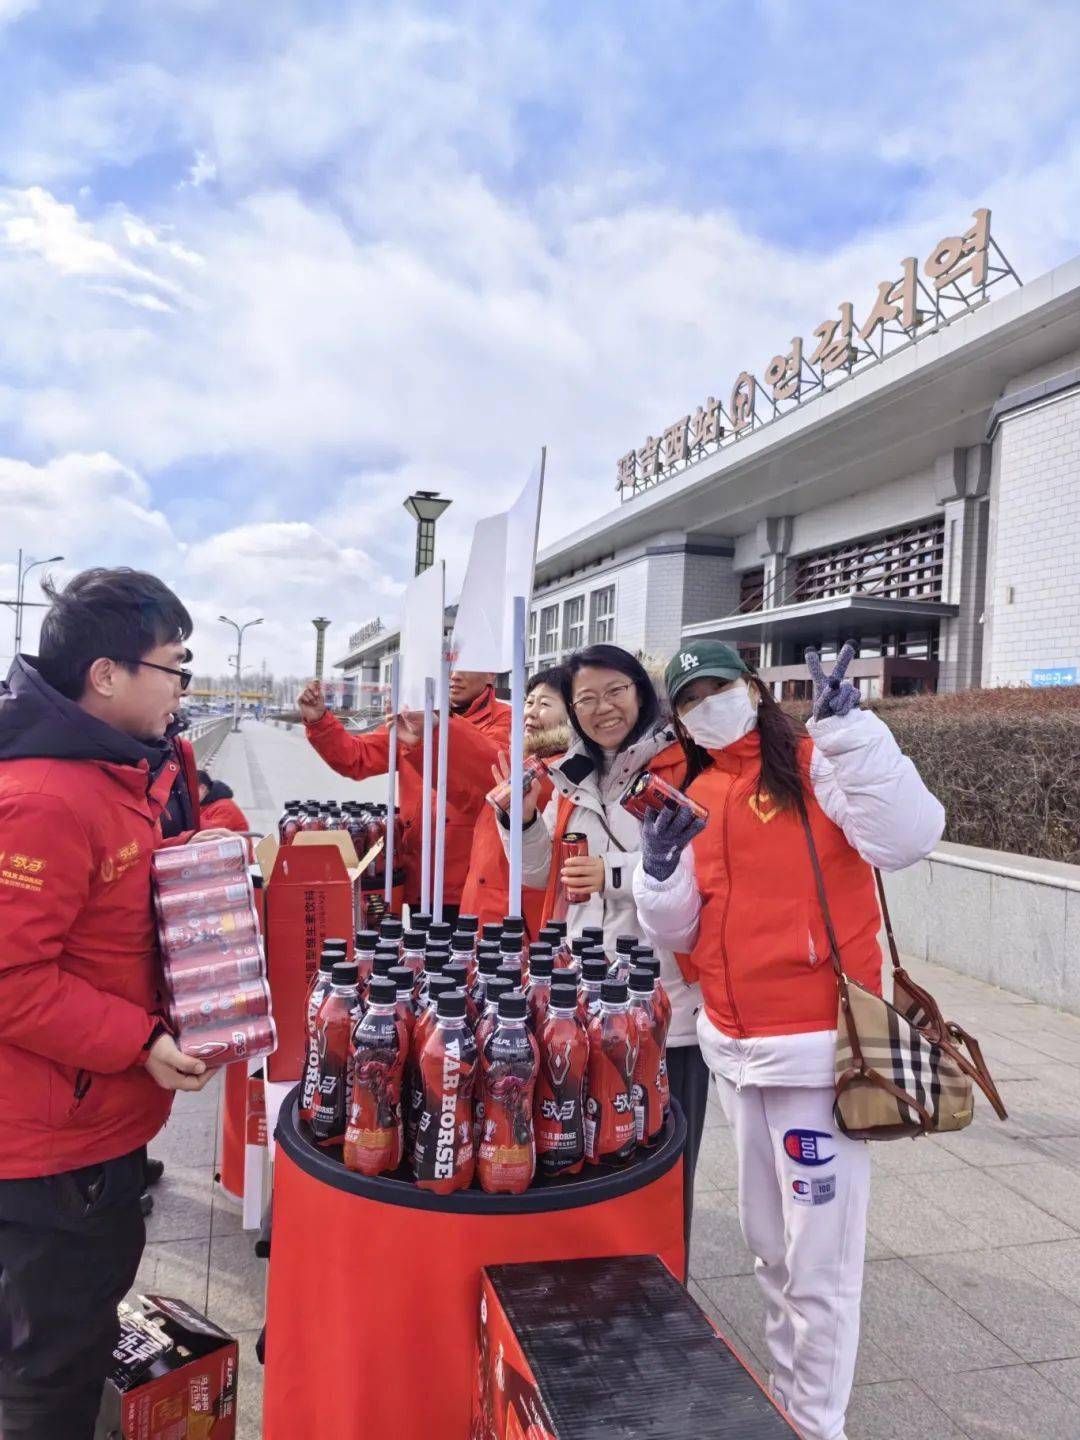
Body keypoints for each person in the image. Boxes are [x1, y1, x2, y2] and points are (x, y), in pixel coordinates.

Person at [632, 639, 945, 1440]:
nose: (709, 704)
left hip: (819, 1051)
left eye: (719, 687)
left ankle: (815, 1425)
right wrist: (659, 869)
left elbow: (908, 837)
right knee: (770, 1248)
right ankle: (785, 1400)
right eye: (691, 697)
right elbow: (678, 930)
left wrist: (853, 732)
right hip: (735, 1050)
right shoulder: (693, 790)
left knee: (820, 1265)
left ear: (754, 686)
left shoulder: (815, 761)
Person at [0, 567, 220, 1440]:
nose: (182, 687)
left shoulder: (108, 776)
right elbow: (11, 979)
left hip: (84, 1129)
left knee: (63, 1343)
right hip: (50, 1152)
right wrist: (138, 1040)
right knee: (47, 1378)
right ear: (106, 675)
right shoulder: (45, 799)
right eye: (174, 666)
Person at [496, 643, 710, 1241]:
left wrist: (613, 872)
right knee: (588, 1145)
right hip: (580, 999)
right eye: (585, 698)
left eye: (615, 690)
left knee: (663, 1154)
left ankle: (665, 1269)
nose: (602, 707)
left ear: (641, 690)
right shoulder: (569, 774)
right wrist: (521, 820)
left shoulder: (683, 764)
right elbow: (542, 873)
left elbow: (701, 861)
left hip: (662, 999)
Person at [298, 669, 510, 922]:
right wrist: (319, 720)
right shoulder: (416, 719)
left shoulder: (505, 721)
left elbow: (493, 774)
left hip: (475, 883)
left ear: (490, 676)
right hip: (421, 876)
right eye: (447, 667)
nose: (453, 676)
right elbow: (357, 757)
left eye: (464, 667)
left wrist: (440, 729)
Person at [455, 667, 569, 936]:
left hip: (514, 918)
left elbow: (479, 757)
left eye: (544, 704)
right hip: (485, 907)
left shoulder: (559, 772)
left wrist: (439, 724)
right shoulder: (528, 762)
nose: (531, 711)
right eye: (529, 702)